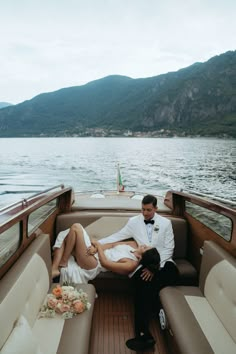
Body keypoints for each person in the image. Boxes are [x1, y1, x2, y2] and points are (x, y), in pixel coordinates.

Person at [98, 194, 179, 351]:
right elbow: (117, 236)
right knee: (143, 285)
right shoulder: (134, 222)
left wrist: (154, 268)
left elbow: (169, 249)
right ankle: (144, 333)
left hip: (164, 264)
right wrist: (98, 245)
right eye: (143, 209)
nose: (145, 213)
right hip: (144, 264)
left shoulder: (166, 223)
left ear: (156, 208)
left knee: (147, 287)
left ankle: (143, 333)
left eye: (148, 210)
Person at [51, 223, 160, 285]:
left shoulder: (130, 264)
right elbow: (112, 245)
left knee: (76, 228)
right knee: (65, 233)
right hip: (94, 253)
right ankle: (55, 269)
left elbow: (105, 263)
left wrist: (98, 247)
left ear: (142, 257)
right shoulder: (133, 244)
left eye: (145, 248)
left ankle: (63, 262)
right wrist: (95, 248)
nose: (144, 245)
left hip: (93, 263)